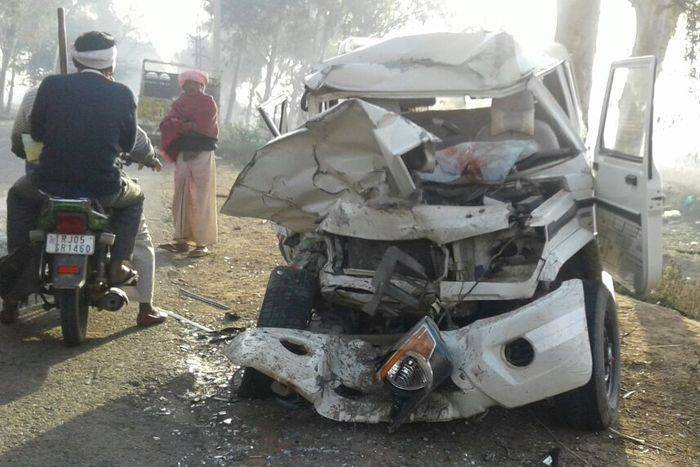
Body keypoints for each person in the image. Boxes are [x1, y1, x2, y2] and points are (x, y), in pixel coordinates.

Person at [1, 31, 143, 324]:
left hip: (47, 184)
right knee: (135, 198)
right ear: (111, 64)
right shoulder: (123, 93)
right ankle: (118, 264)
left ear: (76, 60)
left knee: (17, 196)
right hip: (104, 188)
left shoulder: (51, 85)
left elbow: (36, 132)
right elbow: (128, 144)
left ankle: (18, 266)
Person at [158, 70, 219, 258]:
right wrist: (183, 125)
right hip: (183, 154)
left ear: (201, 85)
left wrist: (183, 125)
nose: (190, 87)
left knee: (201, 196)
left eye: (194, 83)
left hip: (202, 153)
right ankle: (181, 240)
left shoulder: (208, 102)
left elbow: (205, 127)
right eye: (187, 84)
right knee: (181, 195)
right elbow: (168, 123)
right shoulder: (179, 102)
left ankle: (202, 243)